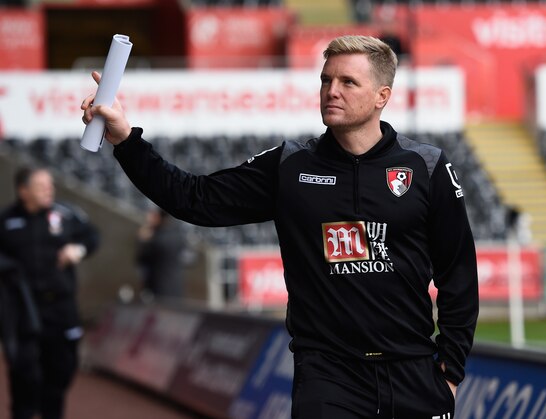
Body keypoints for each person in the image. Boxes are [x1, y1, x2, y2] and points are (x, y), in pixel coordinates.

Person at [81, 35, 478, 419]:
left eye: (347, 82)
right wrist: (126, 141)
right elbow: (194, 199)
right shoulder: (290, 165)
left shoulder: (426, 167)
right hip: (329, 377)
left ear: (382, 97)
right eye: (326, 80)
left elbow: (458, 271)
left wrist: (451, 369)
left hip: (414, 373)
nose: (331, 91)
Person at [0, 166, 99, 419]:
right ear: (23, 190)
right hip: (24, 311)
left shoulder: (65, 214)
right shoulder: (6, 220)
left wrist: (78, 250)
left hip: (60, 309)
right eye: (41, 185)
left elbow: (92, 236)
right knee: (24, 376)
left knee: (61, 372)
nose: (49, 189)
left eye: (50, 184)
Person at [136, 207, 188, 302]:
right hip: (175, 287)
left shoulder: (158, 239)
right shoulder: (178, 235)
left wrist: (142, 241)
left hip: (159, 288)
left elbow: (142, 259)